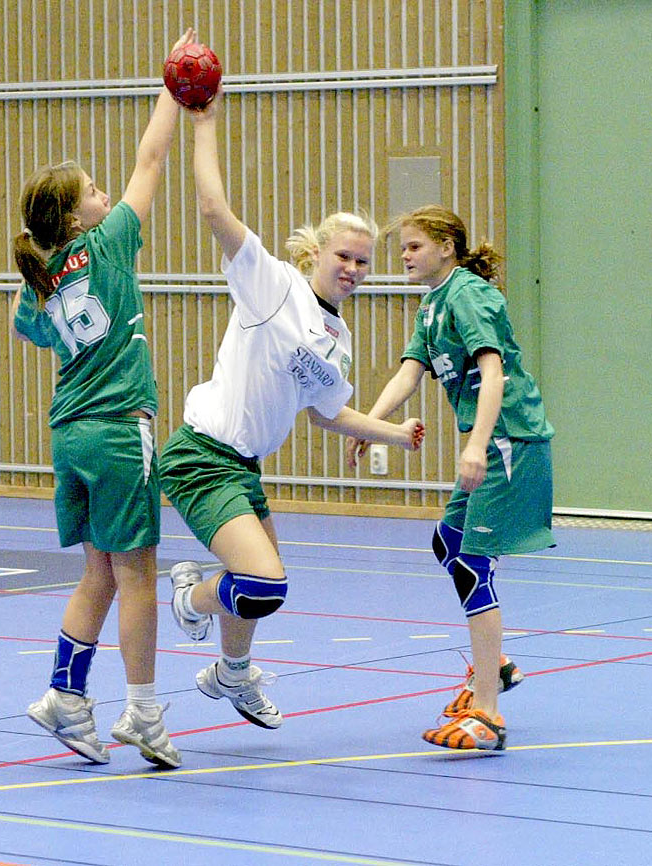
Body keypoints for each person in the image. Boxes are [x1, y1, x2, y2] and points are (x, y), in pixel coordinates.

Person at [159, 88, 424, 730]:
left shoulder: (339, 339)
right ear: (317, 256)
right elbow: (213, 207)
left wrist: (394, 431)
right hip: (202, 455)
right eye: (344, 257)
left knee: (258, 591)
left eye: (364, 262)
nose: (354, 269)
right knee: (264, 586)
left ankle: (230, 674)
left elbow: (329, 413)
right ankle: (191, 601)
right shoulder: (272, 283)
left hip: (243, 467)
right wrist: (205, 123)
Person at [14, 30, 196, 769]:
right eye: (92, 190)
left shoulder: (39, 281)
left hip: (69, 435)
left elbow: (35, 330)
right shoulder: (111, 241)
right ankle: (144, 713)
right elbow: (150, 160)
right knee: (138, 574)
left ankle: (64, 693)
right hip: (123, 429)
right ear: (79, 216)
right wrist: (172, 88)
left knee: (97, 571)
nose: (104, 194)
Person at [351, 205, 555, 751]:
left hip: (509, 440)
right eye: (402, 249)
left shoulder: (468, 296)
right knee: (449, 543)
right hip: (492, 439)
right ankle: (498, 666)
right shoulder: (433, 304)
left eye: (414, 246)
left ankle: (487, 714)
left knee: (470, 563)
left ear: (446, 246)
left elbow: (494, 371)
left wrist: (474, 445)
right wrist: (371, 423)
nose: (405, 257)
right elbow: (409, 372)